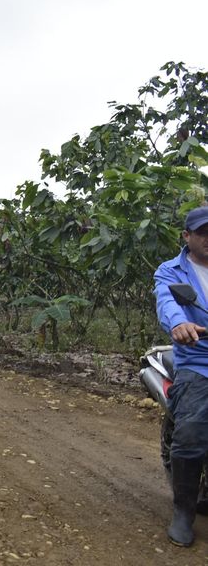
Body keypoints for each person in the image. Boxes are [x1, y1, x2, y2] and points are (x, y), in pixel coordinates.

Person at [155, 205, 208, 547]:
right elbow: (167, 302)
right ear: (187, 236)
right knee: (191, 429)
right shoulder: (171, 270)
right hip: (198, 359)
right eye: (203, 233)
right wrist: (179, 324)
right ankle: (184, 511)